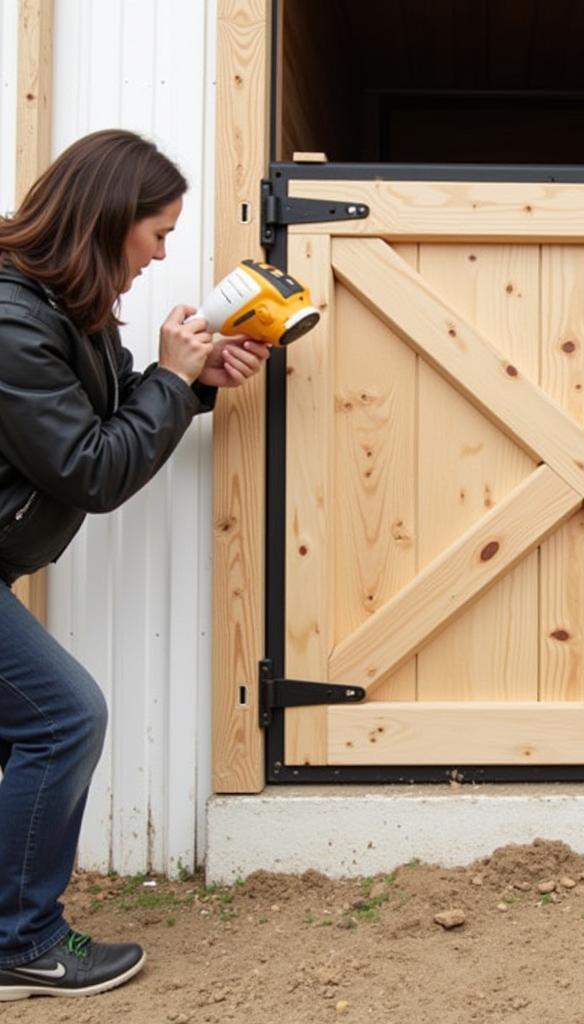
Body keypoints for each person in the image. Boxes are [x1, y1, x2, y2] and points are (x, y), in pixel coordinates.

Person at [0, 129, 269, 1001]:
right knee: (62, 718)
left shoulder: (62, 308)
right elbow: (90, 468)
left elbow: (117, 418)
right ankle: (19, 943)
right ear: (109, 219)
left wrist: (193, 382)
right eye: (156, 233)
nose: (161, 254)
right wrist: (165, 377)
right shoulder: (9, 320)